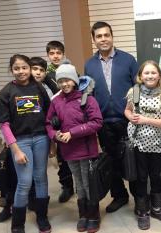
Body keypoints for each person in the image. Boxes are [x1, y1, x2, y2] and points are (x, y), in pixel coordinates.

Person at [84, 21, 138, 213]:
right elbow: (88, 94)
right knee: (112, 161)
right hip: (104, 122)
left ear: (112, 36)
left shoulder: (128, 60)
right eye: (99, 36)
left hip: (128, 120)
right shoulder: (89, 65)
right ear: (94, 40)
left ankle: (140, 200)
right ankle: (119, 196)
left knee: (133, 161)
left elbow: (137, 87)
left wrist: (134, 110)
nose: (103, 39)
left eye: (106, 35)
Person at [0, 54, 51, 233]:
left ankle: (42, 217)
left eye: (24, 67)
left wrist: (53, 143)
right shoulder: (6, 92)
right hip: (20, 142)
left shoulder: (39, 88)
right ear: (11, 70)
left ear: (29, 68)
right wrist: (15, 150)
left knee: (41, 178)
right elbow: (4, 125)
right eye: (16, 68)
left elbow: (49, 116)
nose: (21, 71)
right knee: (25, 182)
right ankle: (18, 225)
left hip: (41, 139)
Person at [46, 64, 103, 233]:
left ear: (75, 80)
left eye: (68, 80)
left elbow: (97, 122)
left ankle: (93, 215)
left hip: (86, 149)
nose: (64, 84)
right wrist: (55, 135)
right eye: (61, 81)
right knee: (78, 182)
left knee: (87, 183)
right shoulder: (56, 101)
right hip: (68, 151)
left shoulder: (87, 99)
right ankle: (83, 215)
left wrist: (72, 132)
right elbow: (48, 123)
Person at [124, 60, 161, 230]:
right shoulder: (134, 91)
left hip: (156, 144)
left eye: (153, 72)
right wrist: (130, 116)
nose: (150, 75)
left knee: (155, 176)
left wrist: (146, 119)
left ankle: (157, 208)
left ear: (159, 75)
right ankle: (142, 210)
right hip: (137, 143)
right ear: (140, 76)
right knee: (141, 177)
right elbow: (127, 110)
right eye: (146, 73)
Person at [45, 41, 75, 203]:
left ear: (63, 53)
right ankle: (67, 186)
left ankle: (83, 184)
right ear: (48, 55)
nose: (55, 56)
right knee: (62, 156)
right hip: (55, 119)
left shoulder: (71, 70)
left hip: (71, 118)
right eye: (52, 53)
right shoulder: (44, 73)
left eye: (58, 52)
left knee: (77, 154)